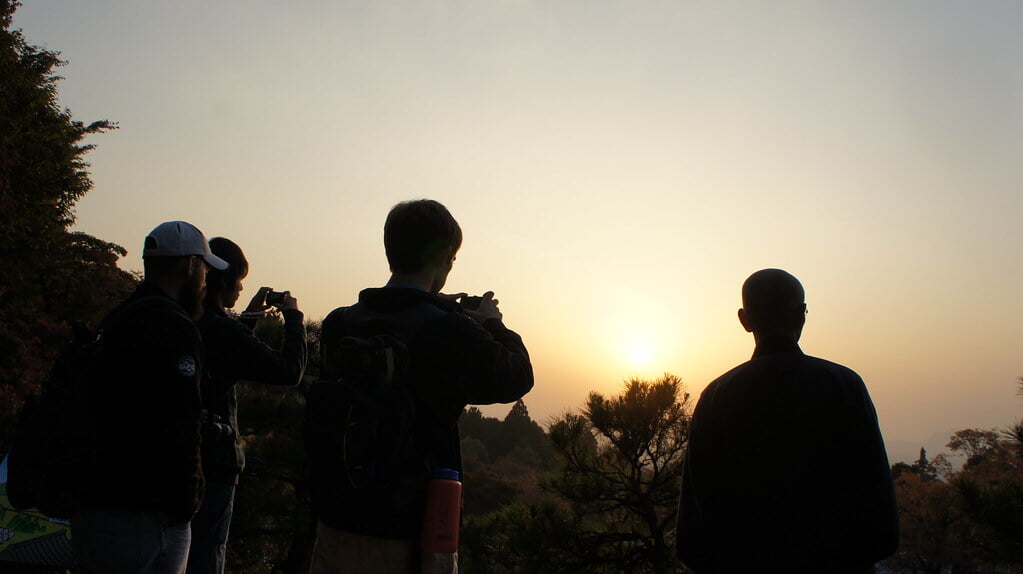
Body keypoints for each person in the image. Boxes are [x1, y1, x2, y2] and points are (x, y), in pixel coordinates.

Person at [308, 199, 534, 574]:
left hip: (337, 520)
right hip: (411, 532)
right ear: (445, 255)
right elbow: (517, 376)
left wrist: (434, 305)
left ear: (390, 248)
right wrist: (493, 323)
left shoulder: (340, 324)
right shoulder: (449, 332)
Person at [676, 269, 899, 573]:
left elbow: (693, 528)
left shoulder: (718, 396)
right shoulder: (843, 385)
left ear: (744, 320)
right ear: (801, 315)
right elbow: (878, 509)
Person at [72, 221, 228, 574]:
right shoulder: (174, 327)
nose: (205, 280)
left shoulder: (119, 318)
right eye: (203, 268)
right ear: (188, 266)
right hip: (145, 512)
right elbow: (181, 419)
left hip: (96, 502)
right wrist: (188, 503)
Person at [186, 237, 308, 574]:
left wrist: (250, 314)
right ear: (221, 280)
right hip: (214, 462)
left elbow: (228, 355)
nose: (241, 287)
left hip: (178, 456)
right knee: (206, 554)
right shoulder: (221, 330)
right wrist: (294, 319)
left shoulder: (186, 321)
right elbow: (288, 371)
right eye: (238, 279)